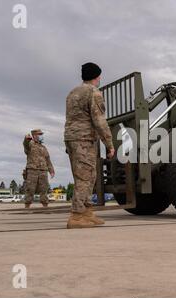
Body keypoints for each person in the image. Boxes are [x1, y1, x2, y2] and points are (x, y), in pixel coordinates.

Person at [64, 62, 115, 229]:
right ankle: (77, 216)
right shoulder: (94, 93)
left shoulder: (72, 93)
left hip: (72, 138)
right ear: (96, 76)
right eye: (99, 76)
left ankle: (87, 212)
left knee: (89, 175)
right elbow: (99, 121)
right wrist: (109, 144)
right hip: (84, 139)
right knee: (85, 177)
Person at [23, 129, 55, 208]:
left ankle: (45, 206)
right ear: (34, 136)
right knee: (30, 189)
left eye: (41, 134)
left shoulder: (44, 147)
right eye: (39, 134)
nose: (41, 136)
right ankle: (27, 206)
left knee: (44, 189)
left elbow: (48, 160)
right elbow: (25, 145)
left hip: (43, 171)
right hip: (32, 170)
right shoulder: (30, 144)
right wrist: (26, 139)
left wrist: (51, 171)